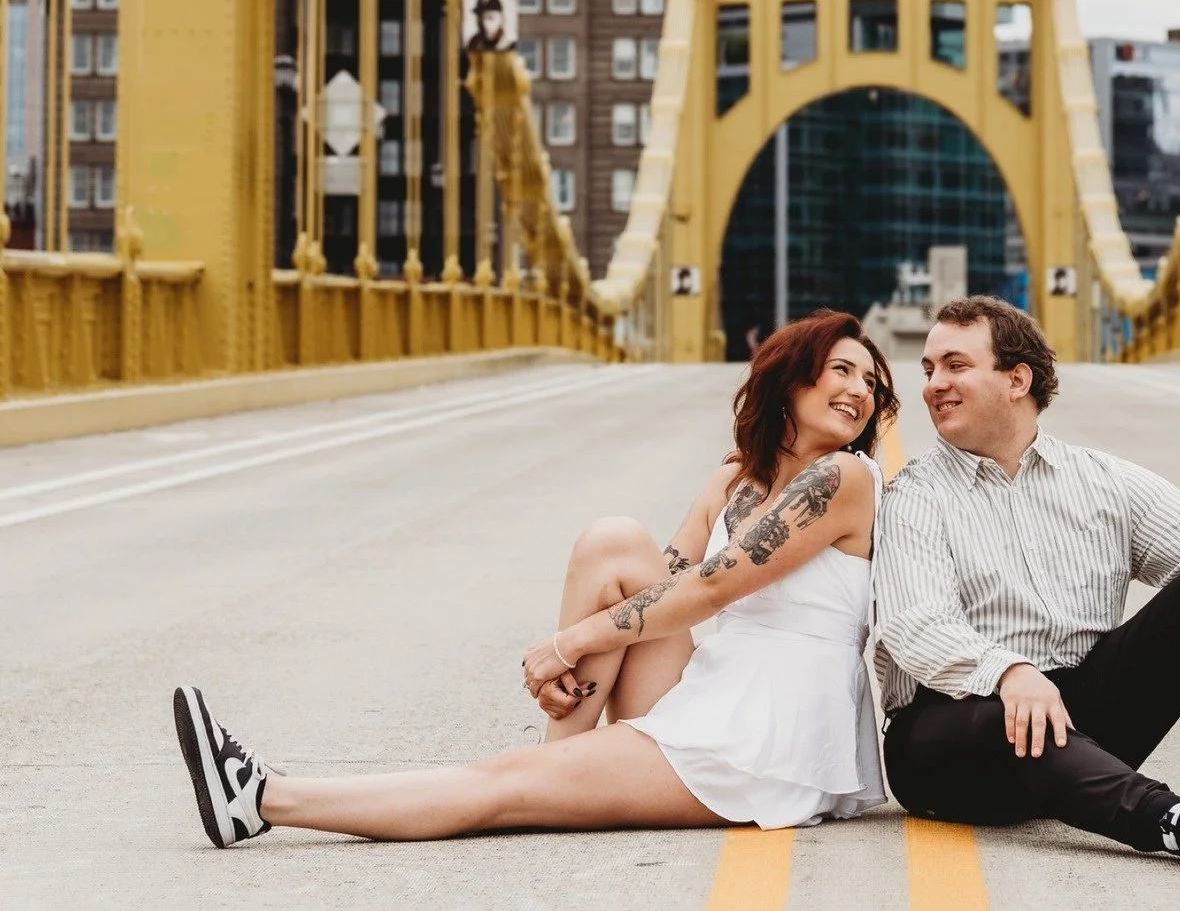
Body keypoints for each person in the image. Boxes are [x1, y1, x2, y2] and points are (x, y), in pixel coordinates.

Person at [173, 312, 897, 847]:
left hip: (767, 734)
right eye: (843, 370)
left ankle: (265, 797)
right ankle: (563, 763)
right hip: (715, 690)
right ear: (791, 375)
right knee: (612, 542)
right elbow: (658, 584)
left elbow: (707, 592)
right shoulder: (735, 480)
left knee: (501, 785)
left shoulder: (846, 479)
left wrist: (566, 645)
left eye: (870, 380)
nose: (859, 390)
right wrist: (574, 650)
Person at [874, 296, 1180, 874]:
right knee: (988, 716)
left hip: (1077, 720)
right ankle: (1174, 821)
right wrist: (1008, 673)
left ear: (1017, 379)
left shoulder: (1101, 481)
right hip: (953, 743)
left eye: (956, 366)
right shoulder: (916, 495)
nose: (934, 384)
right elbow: (916, 625)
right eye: (929, 370)